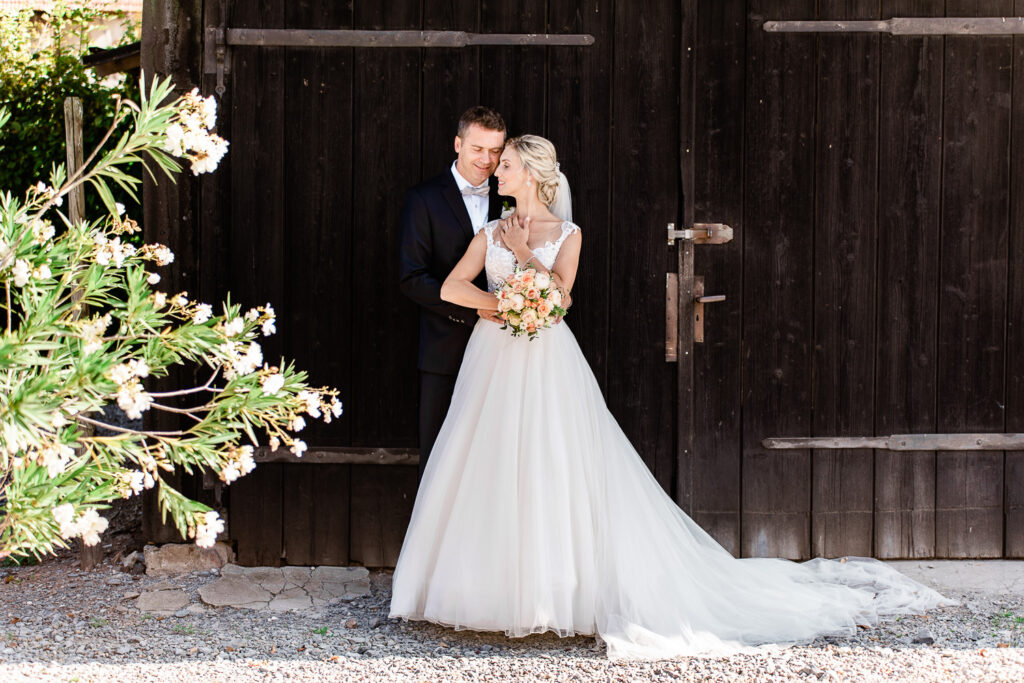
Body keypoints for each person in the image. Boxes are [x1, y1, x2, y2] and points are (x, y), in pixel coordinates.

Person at [389, 134, 954, 660]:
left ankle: (555, 593)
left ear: (532, 174)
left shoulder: (568, 232)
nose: (497, 171)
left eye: (506, 164)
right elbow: (450, 286)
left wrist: (527, 265)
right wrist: (504, 307)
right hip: (494, 356)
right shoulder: (488, 231)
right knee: (487, 465)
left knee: (553, 463)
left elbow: (560, 300)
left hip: (546, 359)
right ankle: (485, 589)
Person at [398, 106, 509, 481]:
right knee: (441, 458)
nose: (487, 160)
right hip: (444, 348)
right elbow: (412, 278)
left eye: (495, 151)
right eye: (478, 149)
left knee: (498, 455)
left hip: (506, 351)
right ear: (458, 143)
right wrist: (473, 309)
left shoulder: (510, 194)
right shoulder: (423, 199)